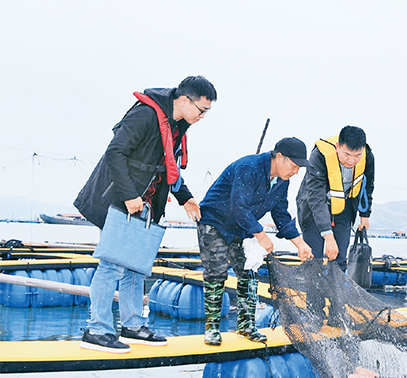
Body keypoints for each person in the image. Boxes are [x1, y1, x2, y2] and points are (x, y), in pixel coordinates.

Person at [74, 76, 216, 353]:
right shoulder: (146, 114)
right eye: (202, 110)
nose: (203, 116)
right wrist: (129, 195)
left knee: (136, 267)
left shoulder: (177, 125)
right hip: (120, 200)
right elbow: (115, 153)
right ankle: (97, 329)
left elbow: (168, 166)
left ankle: (133, 325)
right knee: (112, 265)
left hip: (146, 204)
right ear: (184, 100)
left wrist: (185, 197)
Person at [196, 137, 314, 346]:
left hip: (241, 227)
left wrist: (300, 243)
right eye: (294, 166)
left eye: (299, 168)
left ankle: (246, 326)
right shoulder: (249, 167)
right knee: (217, 272)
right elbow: (238, 207)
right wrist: (261, 235)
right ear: (279, 157)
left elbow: (281, 214)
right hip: (214, 222)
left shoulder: (282, 181)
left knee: (248, 272)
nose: (296, 172)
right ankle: (212, 329)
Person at [296, 126, 374, 270]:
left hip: (343, 208)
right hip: (314, 208)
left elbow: (368, 186)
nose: (352, 160)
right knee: (313, 258)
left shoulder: (367, 156)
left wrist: (365, 215)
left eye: (357, 155)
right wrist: (328, 235)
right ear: (338, 146)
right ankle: (312, 291)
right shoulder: (319, 156)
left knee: (339, 257)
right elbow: (316, 197)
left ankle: (335, 291)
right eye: (347, 154)